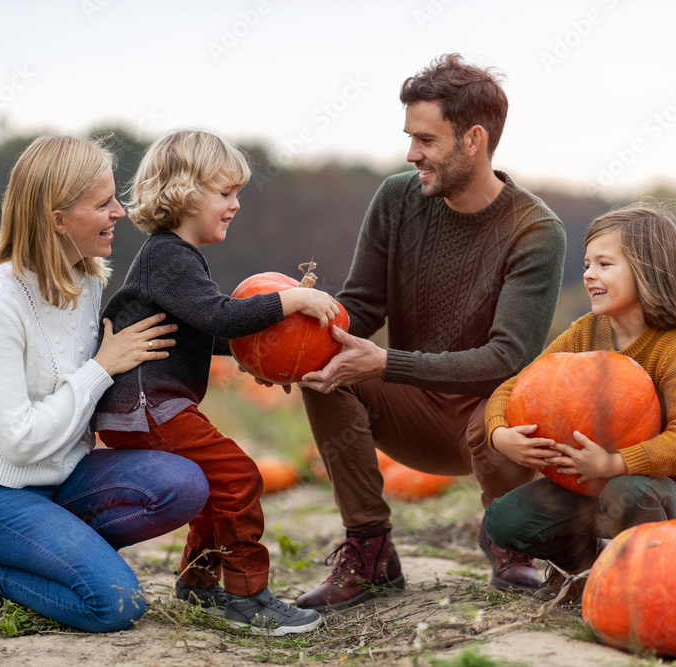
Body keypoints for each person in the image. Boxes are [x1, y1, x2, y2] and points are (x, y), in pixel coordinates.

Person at [293, 54, 567, 611]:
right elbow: (361, 307)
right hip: (412, 412)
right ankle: (371, 553)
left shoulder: (535, 230)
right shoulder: (398, 199)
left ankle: (509, 537)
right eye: (409, 137)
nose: (412, 153)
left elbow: (508, 357)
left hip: (492, 426)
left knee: (512, 400)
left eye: (425, 139)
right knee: (322, 372)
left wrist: (387, 363)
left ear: (473, 139)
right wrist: (286, 346)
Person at [0, 135, 208, 635]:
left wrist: (246, 344)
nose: (119, 213)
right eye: (103, 204)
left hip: (64, 478)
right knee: (116, 603)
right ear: (57, 219)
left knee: (183, 484)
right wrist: (102, 367)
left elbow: (159, 340)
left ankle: (57, 550)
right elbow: (17, 439)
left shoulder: (89, 284)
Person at [94, 130, 335, 635]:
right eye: (224, 193)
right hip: (146, 405)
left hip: (149, 405)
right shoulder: (168, 255)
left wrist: (257, 363)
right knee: (239, 477)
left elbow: (203, 330)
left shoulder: (174, 257)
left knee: (212, 486)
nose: (235, 205)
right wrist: (291, 301)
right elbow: (220, 316)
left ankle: (199, 586)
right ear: (183, 192)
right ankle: (248, 597)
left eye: (236, 194)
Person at [483, 201, 676, 604]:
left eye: (604, 264)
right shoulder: (586, 332)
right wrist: (500, 434)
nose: (589, 275)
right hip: (588, 482)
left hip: (664, 488)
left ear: (647, 271)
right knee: (506, 520)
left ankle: (647, 577)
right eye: (586, 264)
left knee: (628, 495)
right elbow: (515, 386)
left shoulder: (675, 350)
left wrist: (614, 464)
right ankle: (583, 570)